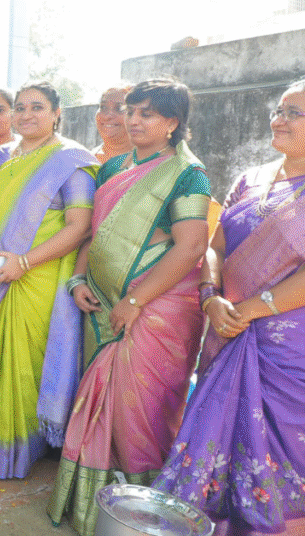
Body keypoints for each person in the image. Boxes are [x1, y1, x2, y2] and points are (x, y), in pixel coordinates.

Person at [47, 78, 211, 535]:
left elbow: (190, 246)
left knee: (142, 405)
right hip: (101, 304)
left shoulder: (188, 173)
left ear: (172, 123)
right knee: (102, 400)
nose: (132, 120)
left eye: (146, 114)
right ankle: (96, 506)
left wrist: (136, 301)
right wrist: (80, 278)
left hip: (158, 309)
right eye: (130, 110)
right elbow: (94, 234)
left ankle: (141, 513)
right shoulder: (115, 165)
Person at [152, 80, 305, 536]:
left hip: (282, 345)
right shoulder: (250, 179)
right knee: (217, 433)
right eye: (279, 110)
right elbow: (215, 245)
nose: (279, 119)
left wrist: (253, 309)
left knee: (278, 448)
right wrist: (210, 296)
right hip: (225, 325)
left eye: (295, 113)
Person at [0, 81, 98, 479]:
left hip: (39, 277)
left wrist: (24, 261)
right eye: (20, 107)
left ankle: (21, 449)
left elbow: (79, 226)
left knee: (27, 361)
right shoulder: (4, 155)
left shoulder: (71, 159)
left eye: (37, 107)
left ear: (57, 112)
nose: (26, 115)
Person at [91, 86, 133, 163]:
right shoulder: (86, 161)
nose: (108, 116)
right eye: (103, 107)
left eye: (119, 108)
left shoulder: (150, 163)